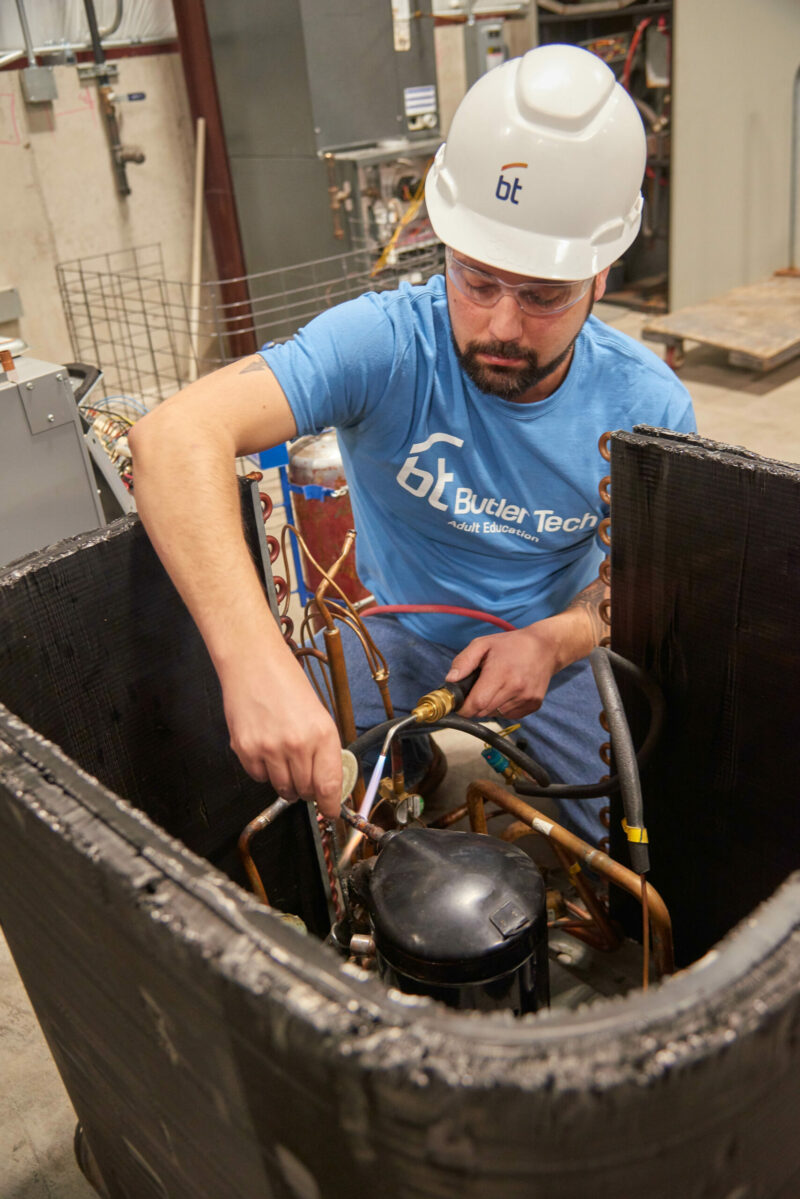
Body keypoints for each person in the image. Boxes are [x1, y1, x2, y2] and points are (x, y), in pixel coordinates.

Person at [129, 44, 695, 844]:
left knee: (631, 836)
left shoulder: (646, 406)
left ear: (602, 271)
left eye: (542, 294)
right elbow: (173, 436)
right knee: (287, 795)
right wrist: (253, 667)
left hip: (551, 645)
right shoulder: (389, 345)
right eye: (477, 279)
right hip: (399, 627)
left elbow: (644, 583)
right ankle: (411, 761)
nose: (501, 324)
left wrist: (556, 638)